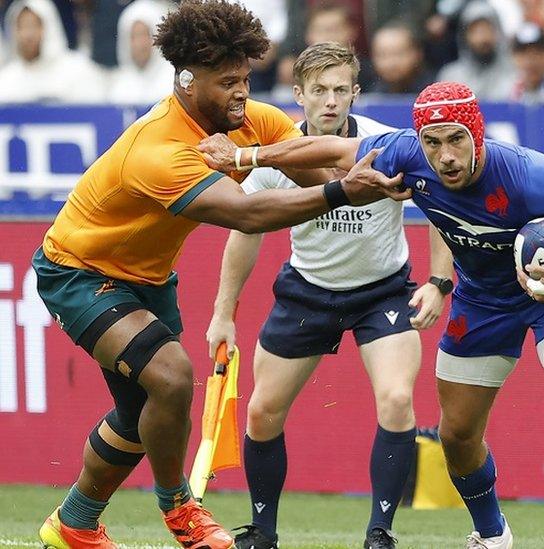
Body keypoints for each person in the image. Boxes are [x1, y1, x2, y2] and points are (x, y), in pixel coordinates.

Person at [197, 80, 544, 549]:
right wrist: (245, 155)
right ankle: (492, 535)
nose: (444, 157)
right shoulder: (405, 152)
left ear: (478, 135)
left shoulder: (529, 174)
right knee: (456, 435)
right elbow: (327, 147)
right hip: (483, 301)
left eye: (456, 140)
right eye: (433, 142)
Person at [32, 1, 404, 548]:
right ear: (186, 80)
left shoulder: (245, 120)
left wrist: (399, 158)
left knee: (142, 412)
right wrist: (339, 188)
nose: (241, 92)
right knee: (172, 377)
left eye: (246, 78)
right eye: (227, 81)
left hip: (148, 278)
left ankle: (74, 523)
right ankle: (182, 510)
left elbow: (314, 162)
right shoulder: (160, 148)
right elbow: (247, 213)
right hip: (80, 271)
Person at [205, 42, 450, 549]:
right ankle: (263, 532)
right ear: (299, 94)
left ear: (356, 93)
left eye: (341, 89)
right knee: (261, 413)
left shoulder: (390, 145)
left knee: (398, 399)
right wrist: (222, 314)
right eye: (319, 90)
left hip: (382, 293)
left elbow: (441, 211)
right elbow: (245, 232)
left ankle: (380, 532)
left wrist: (437, 282)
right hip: (308, 293)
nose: (331, 100)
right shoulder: (278, 151)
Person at [0, 0, 104, 103]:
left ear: (50, 26)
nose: (28, 35)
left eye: (34, 26)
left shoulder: (78, 71)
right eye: (22, 27)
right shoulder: (6, 79)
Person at [436, 2, 517, 101]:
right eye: (476, 31)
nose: (483, 38)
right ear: (464, 36)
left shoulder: (516, 73)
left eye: (488, 29)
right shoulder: (450, 77)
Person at [108, 0, 174, 104]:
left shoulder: (173, 83)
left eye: (144, 35)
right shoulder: (120, 87)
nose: (139, 44)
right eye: (134, 36)